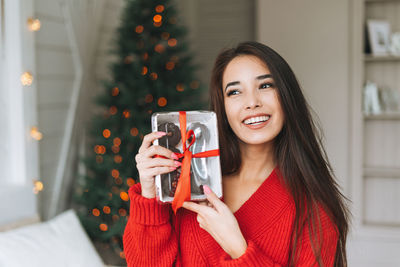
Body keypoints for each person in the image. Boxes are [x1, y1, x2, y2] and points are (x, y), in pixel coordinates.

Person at [123, 41, 350, 266]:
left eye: (265, 86)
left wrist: (238, 248)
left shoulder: (314, 210)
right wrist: (149, 196)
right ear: (222, 107)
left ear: (287, 96)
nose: (252, 103)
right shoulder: (186, 184)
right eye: (234, 92)